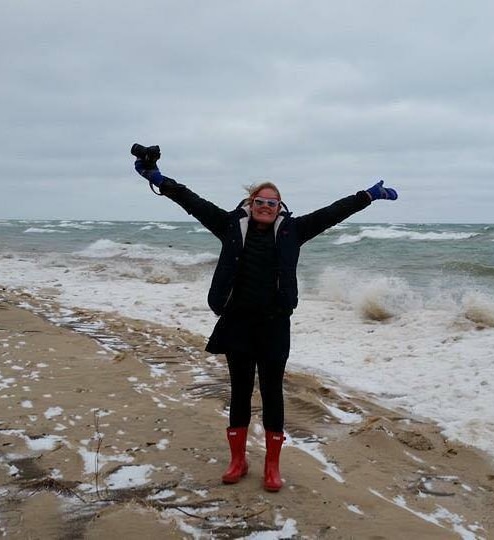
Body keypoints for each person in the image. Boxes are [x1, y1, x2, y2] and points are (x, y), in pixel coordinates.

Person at [133, 147, 398, 492]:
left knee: (273, 393)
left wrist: (369, 195)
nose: (266, 207)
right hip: (237, 323)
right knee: (240, 391)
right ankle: (237, 460)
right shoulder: (229, 225)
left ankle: (272, 467)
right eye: (260, 201)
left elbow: (335, 212)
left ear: (280, 208)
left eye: (272, 203)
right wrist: (157, 179)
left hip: (274, 325)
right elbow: (191, 200)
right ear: (251, 202)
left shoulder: (294, 231)